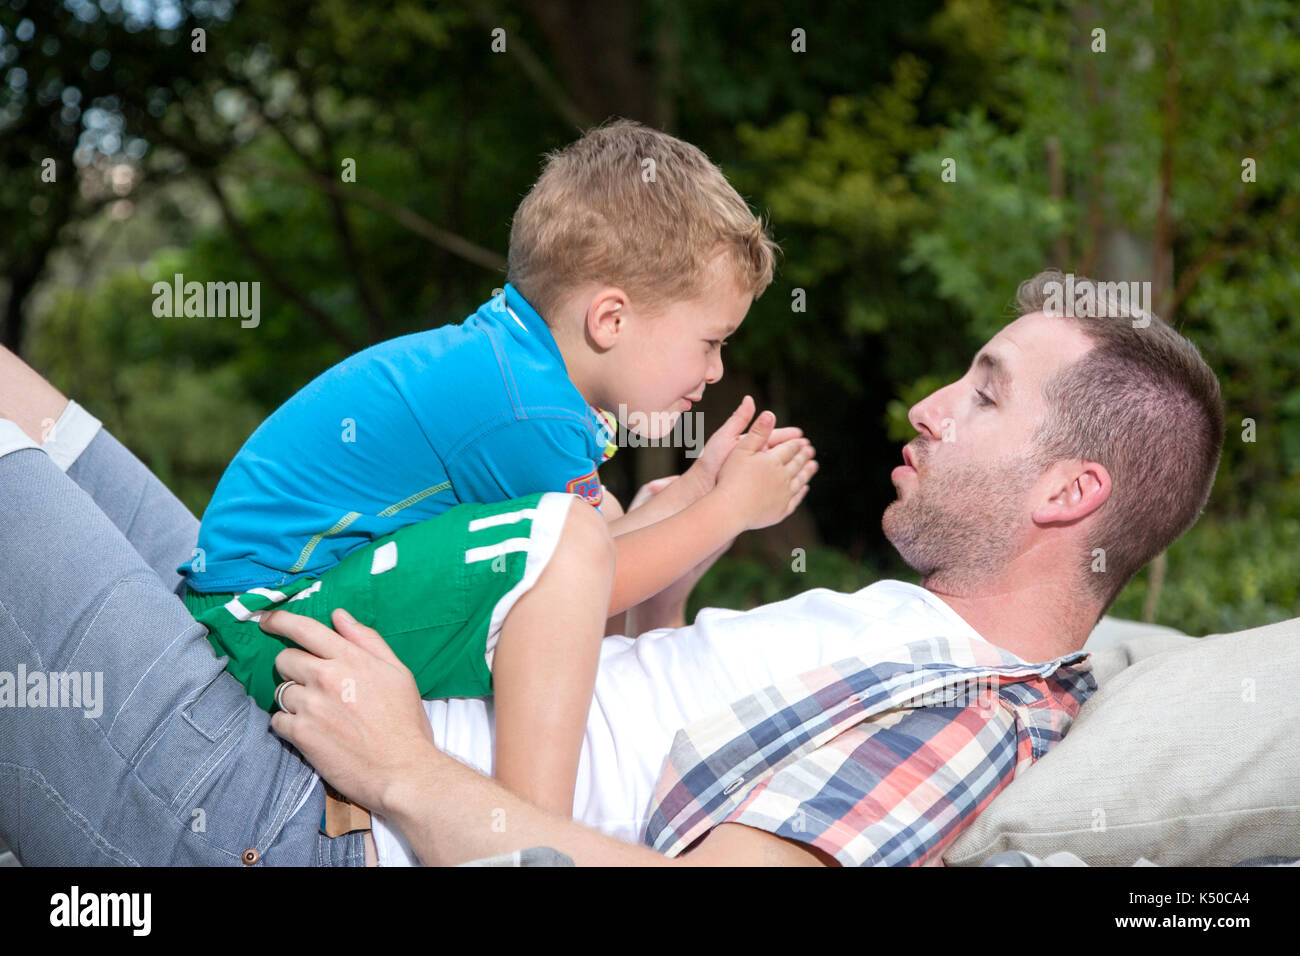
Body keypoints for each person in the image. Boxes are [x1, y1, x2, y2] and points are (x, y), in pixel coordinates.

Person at [0, 269, 1224, 866]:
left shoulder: (972, 710)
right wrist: (663, 566)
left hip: (303, 812)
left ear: (1071, 494)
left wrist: (409, 769)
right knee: (35, 413)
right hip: (305, 678)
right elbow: (628, 741)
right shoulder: (905, 627)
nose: (926, 404)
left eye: (985, 393)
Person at [176, 118, 816, 816]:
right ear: (611, 320)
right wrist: (728, 511)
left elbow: (594, 552)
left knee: (597, 521)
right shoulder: (524, 413)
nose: (716, 371)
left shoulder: (519, 367)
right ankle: (528, 833)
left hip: (273, 604)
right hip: (265, 625)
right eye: (710, 342)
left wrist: (699, 486)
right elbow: (588, 582)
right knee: (579, 541)